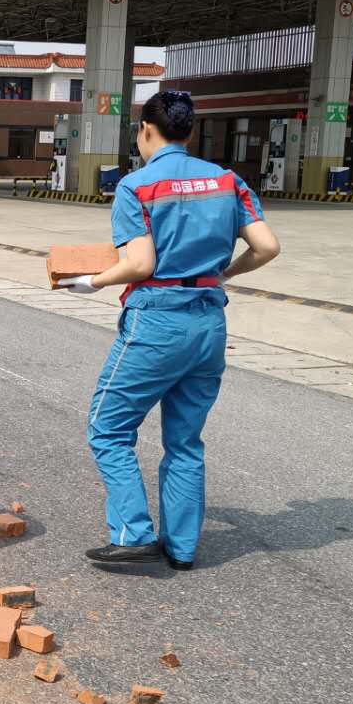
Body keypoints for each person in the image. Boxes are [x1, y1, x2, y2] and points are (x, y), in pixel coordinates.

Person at [61, 91, 280, 571]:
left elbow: (140, 262)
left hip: (156, 321)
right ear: (190, 132)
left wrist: (91, 282)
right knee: (184, 440)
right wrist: (225, 273)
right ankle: (181, 547)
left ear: (145, 130)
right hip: (208, 322)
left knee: (108, 426)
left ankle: (133, 533)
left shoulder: (136, 186)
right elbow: (267, 246)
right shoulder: (227, 181)